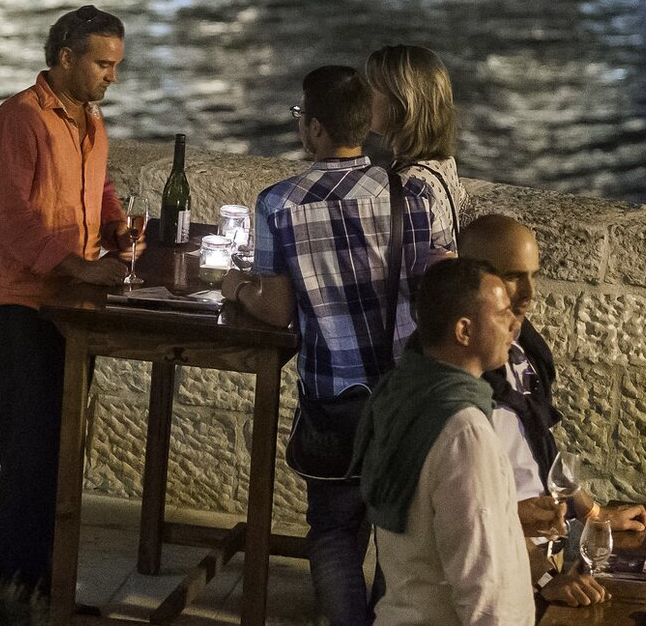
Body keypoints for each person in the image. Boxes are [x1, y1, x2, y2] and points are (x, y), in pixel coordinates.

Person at [221, 65, 455, 626]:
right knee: (390, 534)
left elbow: (276, 310)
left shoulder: (279, 203)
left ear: (317, 130)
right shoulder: (412, 191)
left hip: (334, 397)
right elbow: (441, 279)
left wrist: (235, 284)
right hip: (402, 396)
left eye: (303, 118)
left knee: (331, 530)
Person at [0, 5, 136, 597]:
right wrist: (80, 267)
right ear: (65, 57)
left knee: (62, 446)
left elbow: (100, 187)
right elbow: (12, 221)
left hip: (71, 306)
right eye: (102, 64)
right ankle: (18, 589)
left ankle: (48, 585)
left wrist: (119, 231)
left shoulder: (89, 122)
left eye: (115, 66)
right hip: (24, 305)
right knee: (30, 451)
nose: (110, 78)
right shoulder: (19, 120)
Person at [457, 214, 646, 611]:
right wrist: (545, 579)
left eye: (533, 275)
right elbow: (474, 516)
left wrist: (595, 515)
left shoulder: (521, 349)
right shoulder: (461, 392)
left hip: (541, 558)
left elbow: (539, 448)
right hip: (508, 571)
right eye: (513, 277)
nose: (528, 293)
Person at [356, 259, 536, 626]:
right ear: (464, 331)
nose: (514, 325)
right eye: (502, 314)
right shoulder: (464, 431)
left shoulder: (406, 392)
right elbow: (482, 579)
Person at [363, 43, 462, 225]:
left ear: (401, 103)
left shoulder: (408, 187)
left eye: (372, 88)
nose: (364, 96)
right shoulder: (444, 164)